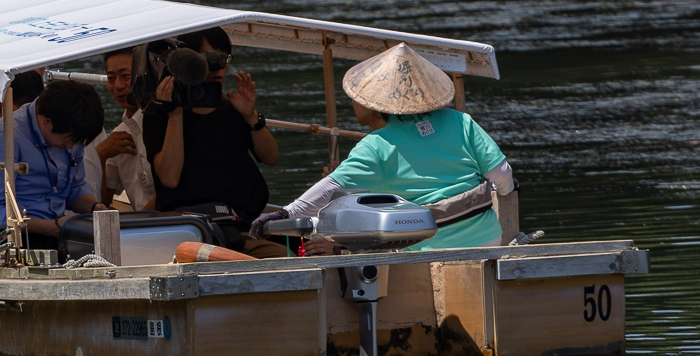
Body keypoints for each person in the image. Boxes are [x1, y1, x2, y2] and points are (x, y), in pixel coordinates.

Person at [267, 43, 515, 250]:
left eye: (360, 96)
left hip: (427, 248)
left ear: (374, 105)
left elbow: (325, 192)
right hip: (488, 240)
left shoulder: (376, 145)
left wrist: (283, 215)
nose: (354, 101)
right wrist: (506, 191)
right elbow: (502, 175)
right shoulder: (459, 120)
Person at [140, 47, 286, 256]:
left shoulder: (230, 108)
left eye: (224, 59)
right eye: (208, 60)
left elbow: (271, 157)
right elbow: (170, 178)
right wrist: (175, 114)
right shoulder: (161, 113)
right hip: (189, 232)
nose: (219, 68)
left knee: (287, 258)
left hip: (237, 228)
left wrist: (251, 116)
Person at [0, 80, 105, 246]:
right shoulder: (5, 138)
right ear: (46, 122)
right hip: (8, 239)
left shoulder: (68, 131)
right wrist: (50, 227)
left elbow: (74, 188)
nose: (71, 147)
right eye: (68, 139)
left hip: (55, 230)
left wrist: (95, 207)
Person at [92, 48, 155, 211]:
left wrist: (140, 225)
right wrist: (100, 155)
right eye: (111, 78)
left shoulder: (164, 125)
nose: (118, 86)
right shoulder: (117, 137)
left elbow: (171, 191)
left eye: (125, 76)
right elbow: (103, 201)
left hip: (168, 226)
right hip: (142, 227)